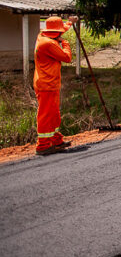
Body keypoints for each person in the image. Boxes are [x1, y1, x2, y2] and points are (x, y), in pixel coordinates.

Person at [33, 15, 77, 155]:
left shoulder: (43, 35)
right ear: (56, 34)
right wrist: (65, 43)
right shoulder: (48, 44)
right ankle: (43, 145)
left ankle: (56, 140)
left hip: (51, 83)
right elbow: (67, 58)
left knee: (54, 114)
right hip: (46, 84)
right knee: (46, 114)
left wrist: (70, 22)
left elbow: (59, 29)